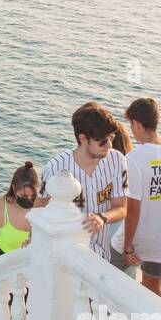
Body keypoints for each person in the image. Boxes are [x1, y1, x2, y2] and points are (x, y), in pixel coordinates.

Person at [112, 98, 161, 297]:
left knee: (106, 279)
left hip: (138, 239)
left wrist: (128, 247)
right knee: (153, 290)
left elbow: (133, 208)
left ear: (137, 124)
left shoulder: (134, 159)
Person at [41, 102, 129, 262]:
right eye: (102, 141)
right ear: (83, 139)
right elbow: (39, 208)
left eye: (111, 138)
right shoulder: (55, 167)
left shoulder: (117, 160)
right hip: (63, 254)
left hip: (101, 255)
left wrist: (102, 217)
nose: (109, 145)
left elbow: (121, 208)